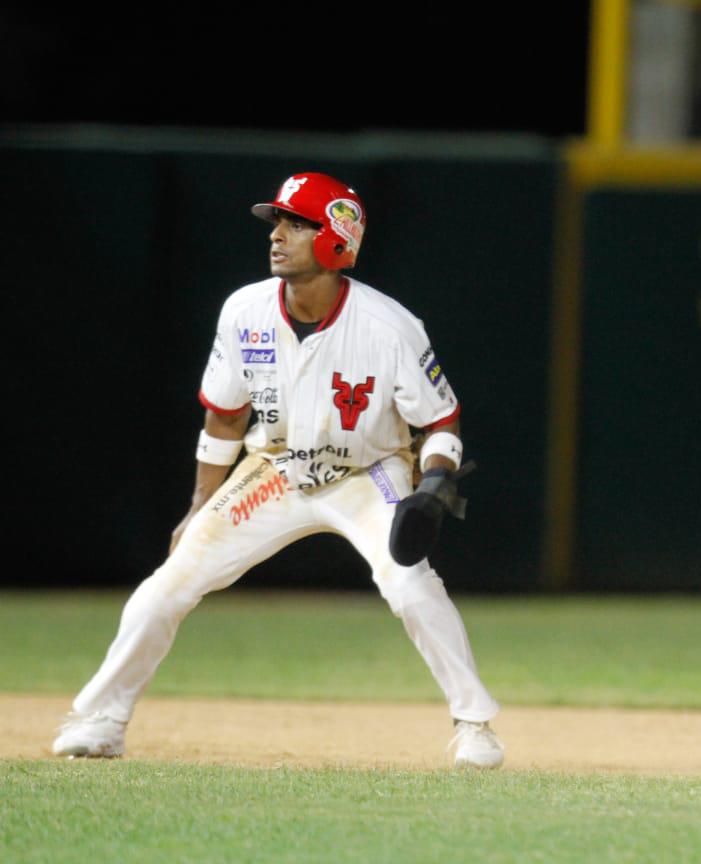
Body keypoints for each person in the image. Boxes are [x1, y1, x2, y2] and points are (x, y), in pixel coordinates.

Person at [52, 172, 505, 769]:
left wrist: (433, 482)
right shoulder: (244, 311)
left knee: (410, 584)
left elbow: (441, 424)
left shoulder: (390, 327)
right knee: (170, 582)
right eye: (278, 223)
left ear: (337, 240)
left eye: (297, 224)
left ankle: (476, 727)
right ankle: (103, 720)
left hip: (368, 473)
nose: (278, 235)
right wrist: (197, 507)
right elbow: (224, 420)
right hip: (277, 470)